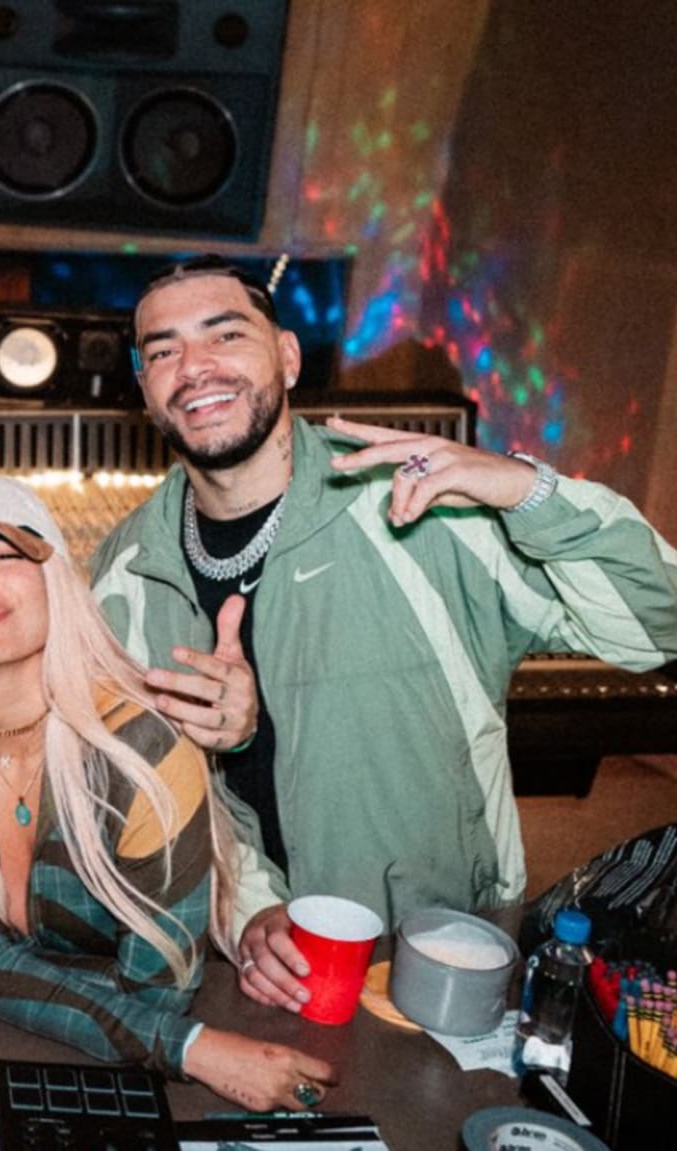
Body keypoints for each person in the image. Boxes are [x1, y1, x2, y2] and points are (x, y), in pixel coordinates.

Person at [91, 254, 677, 1012]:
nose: (194, 367)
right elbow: (142, 798)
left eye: (225, 334)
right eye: (163, 350)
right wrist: (246, 910)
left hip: (437, 951)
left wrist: (525, 489)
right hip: (248, 963)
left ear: (289, 357)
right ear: (144, 386)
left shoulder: (424, 505)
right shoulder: (123, 572)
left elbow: (654, 618)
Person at [0, 474, 334, 1112]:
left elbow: (155, 991)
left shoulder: (144, 747)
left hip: (107, 1073)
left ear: (55, 582)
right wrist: (194, 1049)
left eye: (5, 555)